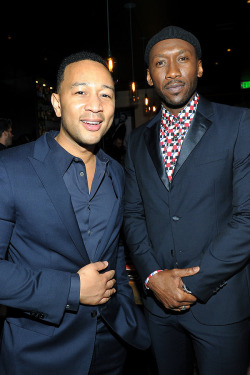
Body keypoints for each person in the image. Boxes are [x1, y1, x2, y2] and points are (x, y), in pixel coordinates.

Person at [0, 51, 150, 375]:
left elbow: (114, 248)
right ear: (56, 103)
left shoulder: (117, 173)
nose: (95, 105)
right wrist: (71, 289)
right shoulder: (8, 169)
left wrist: (124, 307)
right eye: (80, 91)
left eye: (106, 94)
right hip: (40, 355)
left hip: (112, 348)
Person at [123, 25, 250, 375]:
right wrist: (152, 277)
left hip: (220, 304)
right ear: (150, 75)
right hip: (158, 307)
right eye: (161, 63)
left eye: (183, 59)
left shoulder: (239, 123)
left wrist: (191, 285)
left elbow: (247, 218)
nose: (173, 71)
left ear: (200, 67)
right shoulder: (137, 140)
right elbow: (133, 214)